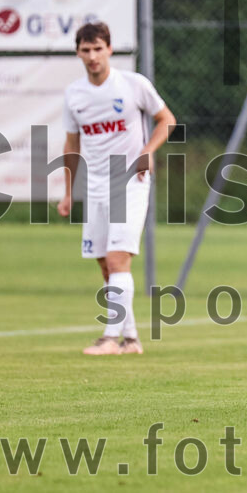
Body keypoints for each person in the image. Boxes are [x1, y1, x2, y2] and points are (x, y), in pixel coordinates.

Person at [57, 22, 177, 356]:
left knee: (117, 259)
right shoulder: (75, 94)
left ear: (110, 49)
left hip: (129, 182)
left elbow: (167, 119)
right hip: (94, 185)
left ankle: (109, 339)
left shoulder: (133, 84)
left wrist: (147, 151)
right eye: (86, 50)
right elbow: (71, 144)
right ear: (78, 52)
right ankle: (132, 339)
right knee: (105, 264)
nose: (93, 56)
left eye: (98, 49)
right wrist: (68, 192)